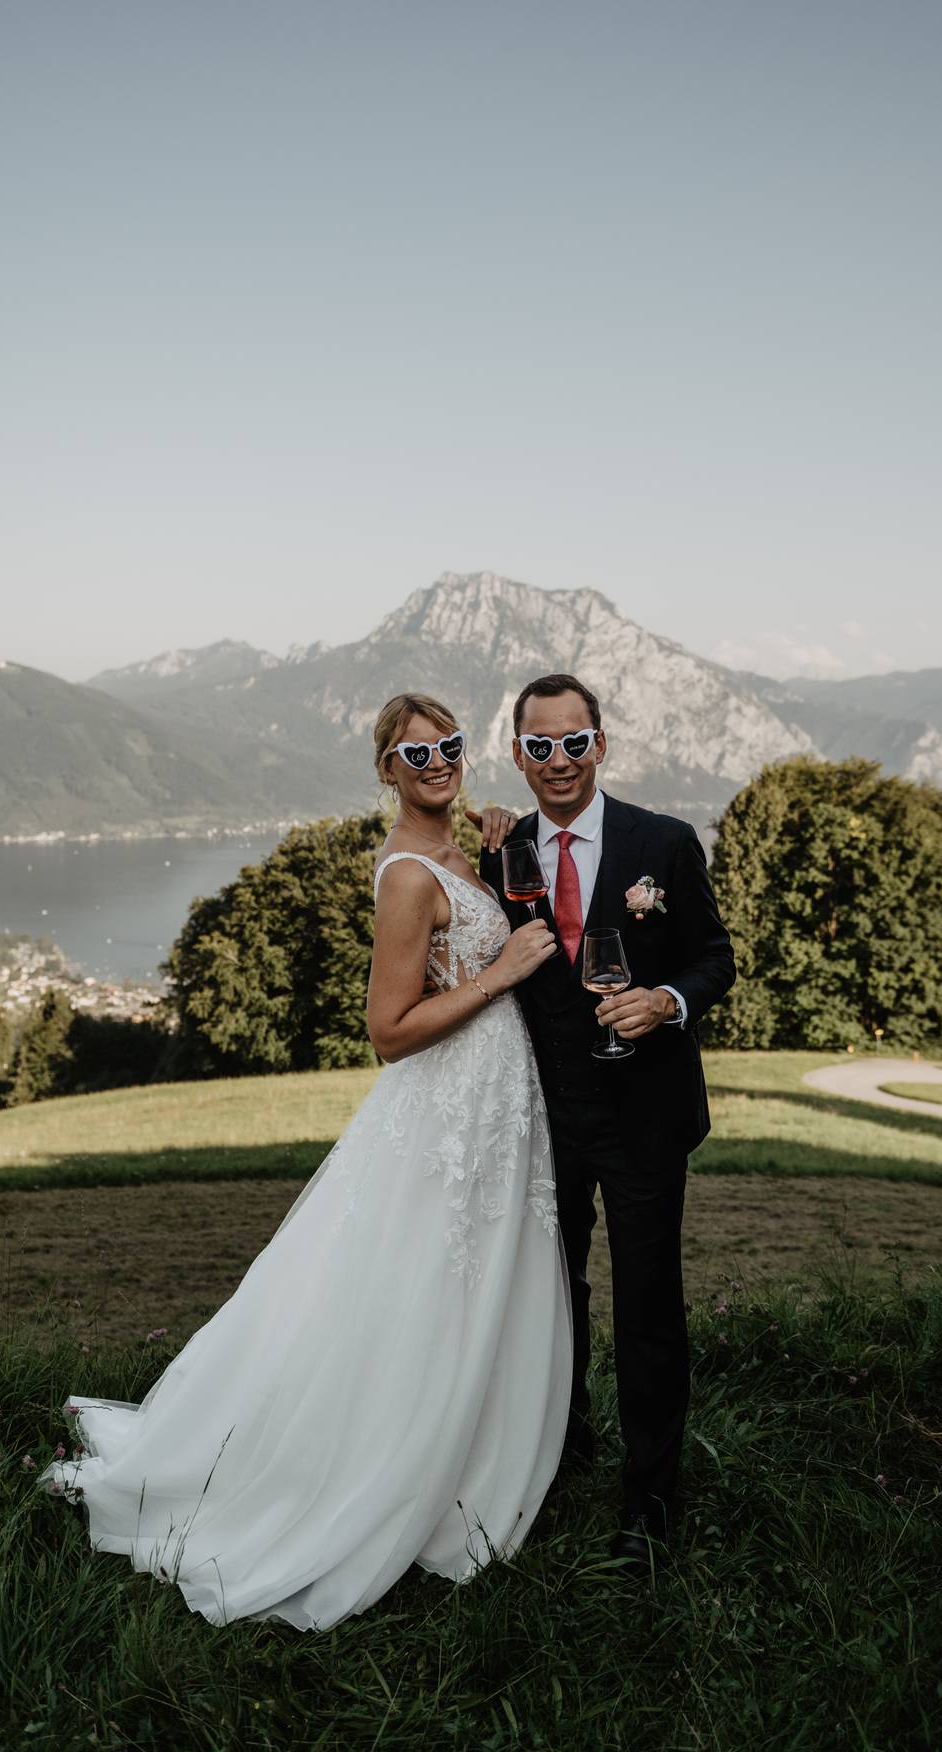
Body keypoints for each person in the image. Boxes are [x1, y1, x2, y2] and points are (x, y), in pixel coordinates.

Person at [38, 693, 571, 1631]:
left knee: (471, 1288)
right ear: (386, 770)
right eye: (415, 753)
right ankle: (385, 1479)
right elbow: (388, 1032)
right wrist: (503, 974)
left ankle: (468, 1467)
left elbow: (486, 905)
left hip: (490, 1109)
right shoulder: (407, 876)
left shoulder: (466, 849)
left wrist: (501, 838)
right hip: (442, 1107)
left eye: (448, 745)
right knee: (411, 1294)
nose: (437, 761)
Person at [479, 673, 736, 1570]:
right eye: (539, 746)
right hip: (543, 1113)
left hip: (645, 1115)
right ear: (518, 755)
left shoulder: (661, 843)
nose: (558, 761)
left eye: (574, 742)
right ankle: (559, 1449)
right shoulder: (501, 851)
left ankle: (650, 1501)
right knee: (550, 1299)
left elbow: (714, 958)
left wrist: (665, 1001)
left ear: (601, 744)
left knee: (647, 1304)